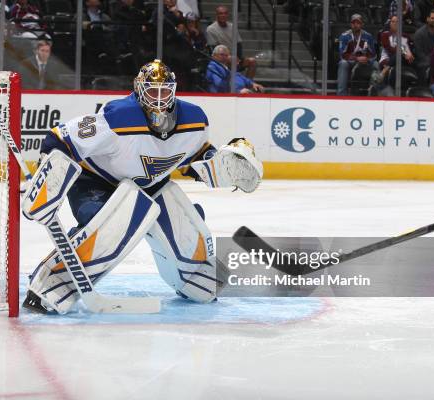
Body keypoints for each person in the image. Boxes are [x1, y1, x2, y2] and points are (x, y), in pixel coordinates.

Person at [21, 60, 262, 314]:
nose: (159, 98)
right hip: (98, 183)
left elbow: (193, 158)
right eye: (152, 91)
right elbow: (61, 138)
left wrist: (220, 166)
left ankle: (195, 277)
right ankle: (52, 283)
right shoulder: (118, 116)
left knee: (185, 226)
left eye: (165, 91)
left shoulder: (194, 119)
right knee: (112, 227)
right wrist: (45, 176)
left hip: (150, 185)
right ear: (139, 89)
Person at [206, 6, 257, 79]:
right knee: (230, 59)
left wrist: (238, 57)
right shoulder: (211, 29)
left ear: (227, 15)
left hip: (234, 57)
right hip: (221, 57)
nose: (223, 15)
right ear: (217, 15)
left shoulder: (232, 26)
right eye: (220, 13)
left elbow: (238, 44)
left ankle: (247, 84)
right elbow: (213, 49)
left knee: (252, 61)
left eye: (225, 13)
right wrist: (228, 57)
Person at [337, 14, 377, 96]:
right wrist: (357, 58)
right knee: (343, 63)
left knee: (376, 64)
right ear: (350, 24)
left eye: (358, 23)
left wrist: (367, 59)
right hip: (351, 62)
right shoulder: (344, 36)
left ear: (362, 24)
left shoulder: (368, 36)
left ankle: (374, 91)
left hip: (365, 62)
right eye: (353, 23)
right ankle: (341, 94)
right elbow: (342, 55)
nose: (355, 25)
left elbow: (373, 54)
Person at [413, 8, 434, 84]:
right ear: (427, 19)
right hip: (423, 63)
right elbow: (420, 55)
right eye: (432, 18)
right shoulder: (419, 34)